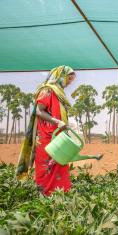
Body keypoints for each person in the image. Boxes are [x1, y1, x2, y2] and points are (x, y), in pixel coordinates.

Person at [16, 65, 76, 196]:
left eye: (71, 80)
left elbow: (58, 112)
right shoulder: (47, 90)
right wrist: (57, 121)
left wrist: (66, 123)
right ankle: (44, 195)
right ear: (61, 76)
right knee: (46, 165)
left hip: (58, 135)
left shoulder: (59, 92)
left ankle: (60, 194)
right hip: (46, 136)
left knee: (60, 161)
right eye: (69, 79)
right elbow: (39, 110)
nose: (70, 82)